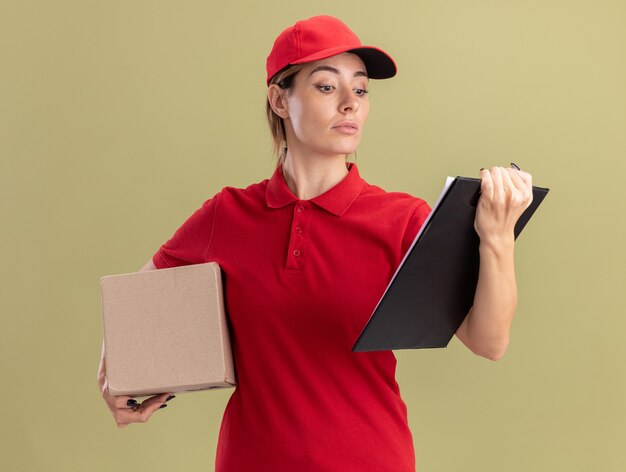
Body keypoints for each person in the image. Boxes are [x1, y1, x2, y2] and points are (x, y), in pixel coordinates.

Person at [97, 15, 533, 471]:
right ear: (279, 99)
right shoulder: (227, 215)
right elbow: (132, 305)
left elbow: (489, 341)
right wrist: (112, 376)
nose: (350, 104)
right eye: (327, 87)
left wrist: (498, 238)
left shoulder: (403, 219)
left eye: (360, 90)